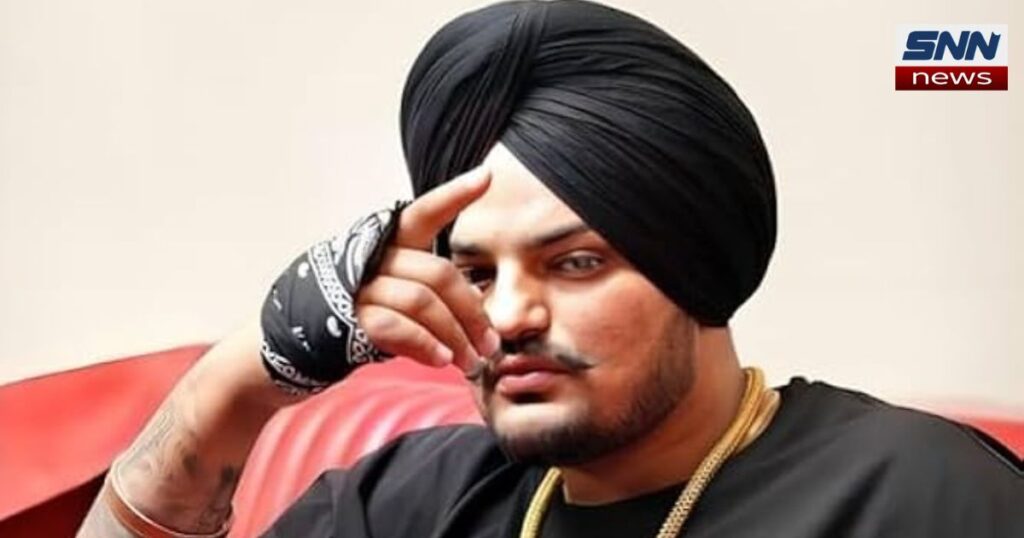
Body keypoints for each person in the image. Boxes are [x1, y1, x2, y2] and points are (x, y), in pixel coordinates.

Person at [77, 1, 1022, 537]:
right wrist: (240, 380)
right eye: (477, 273)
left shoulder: (910, 496)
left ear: (695, 263)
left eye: (574, 263)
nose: (509, 315)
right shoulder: (410, 504)